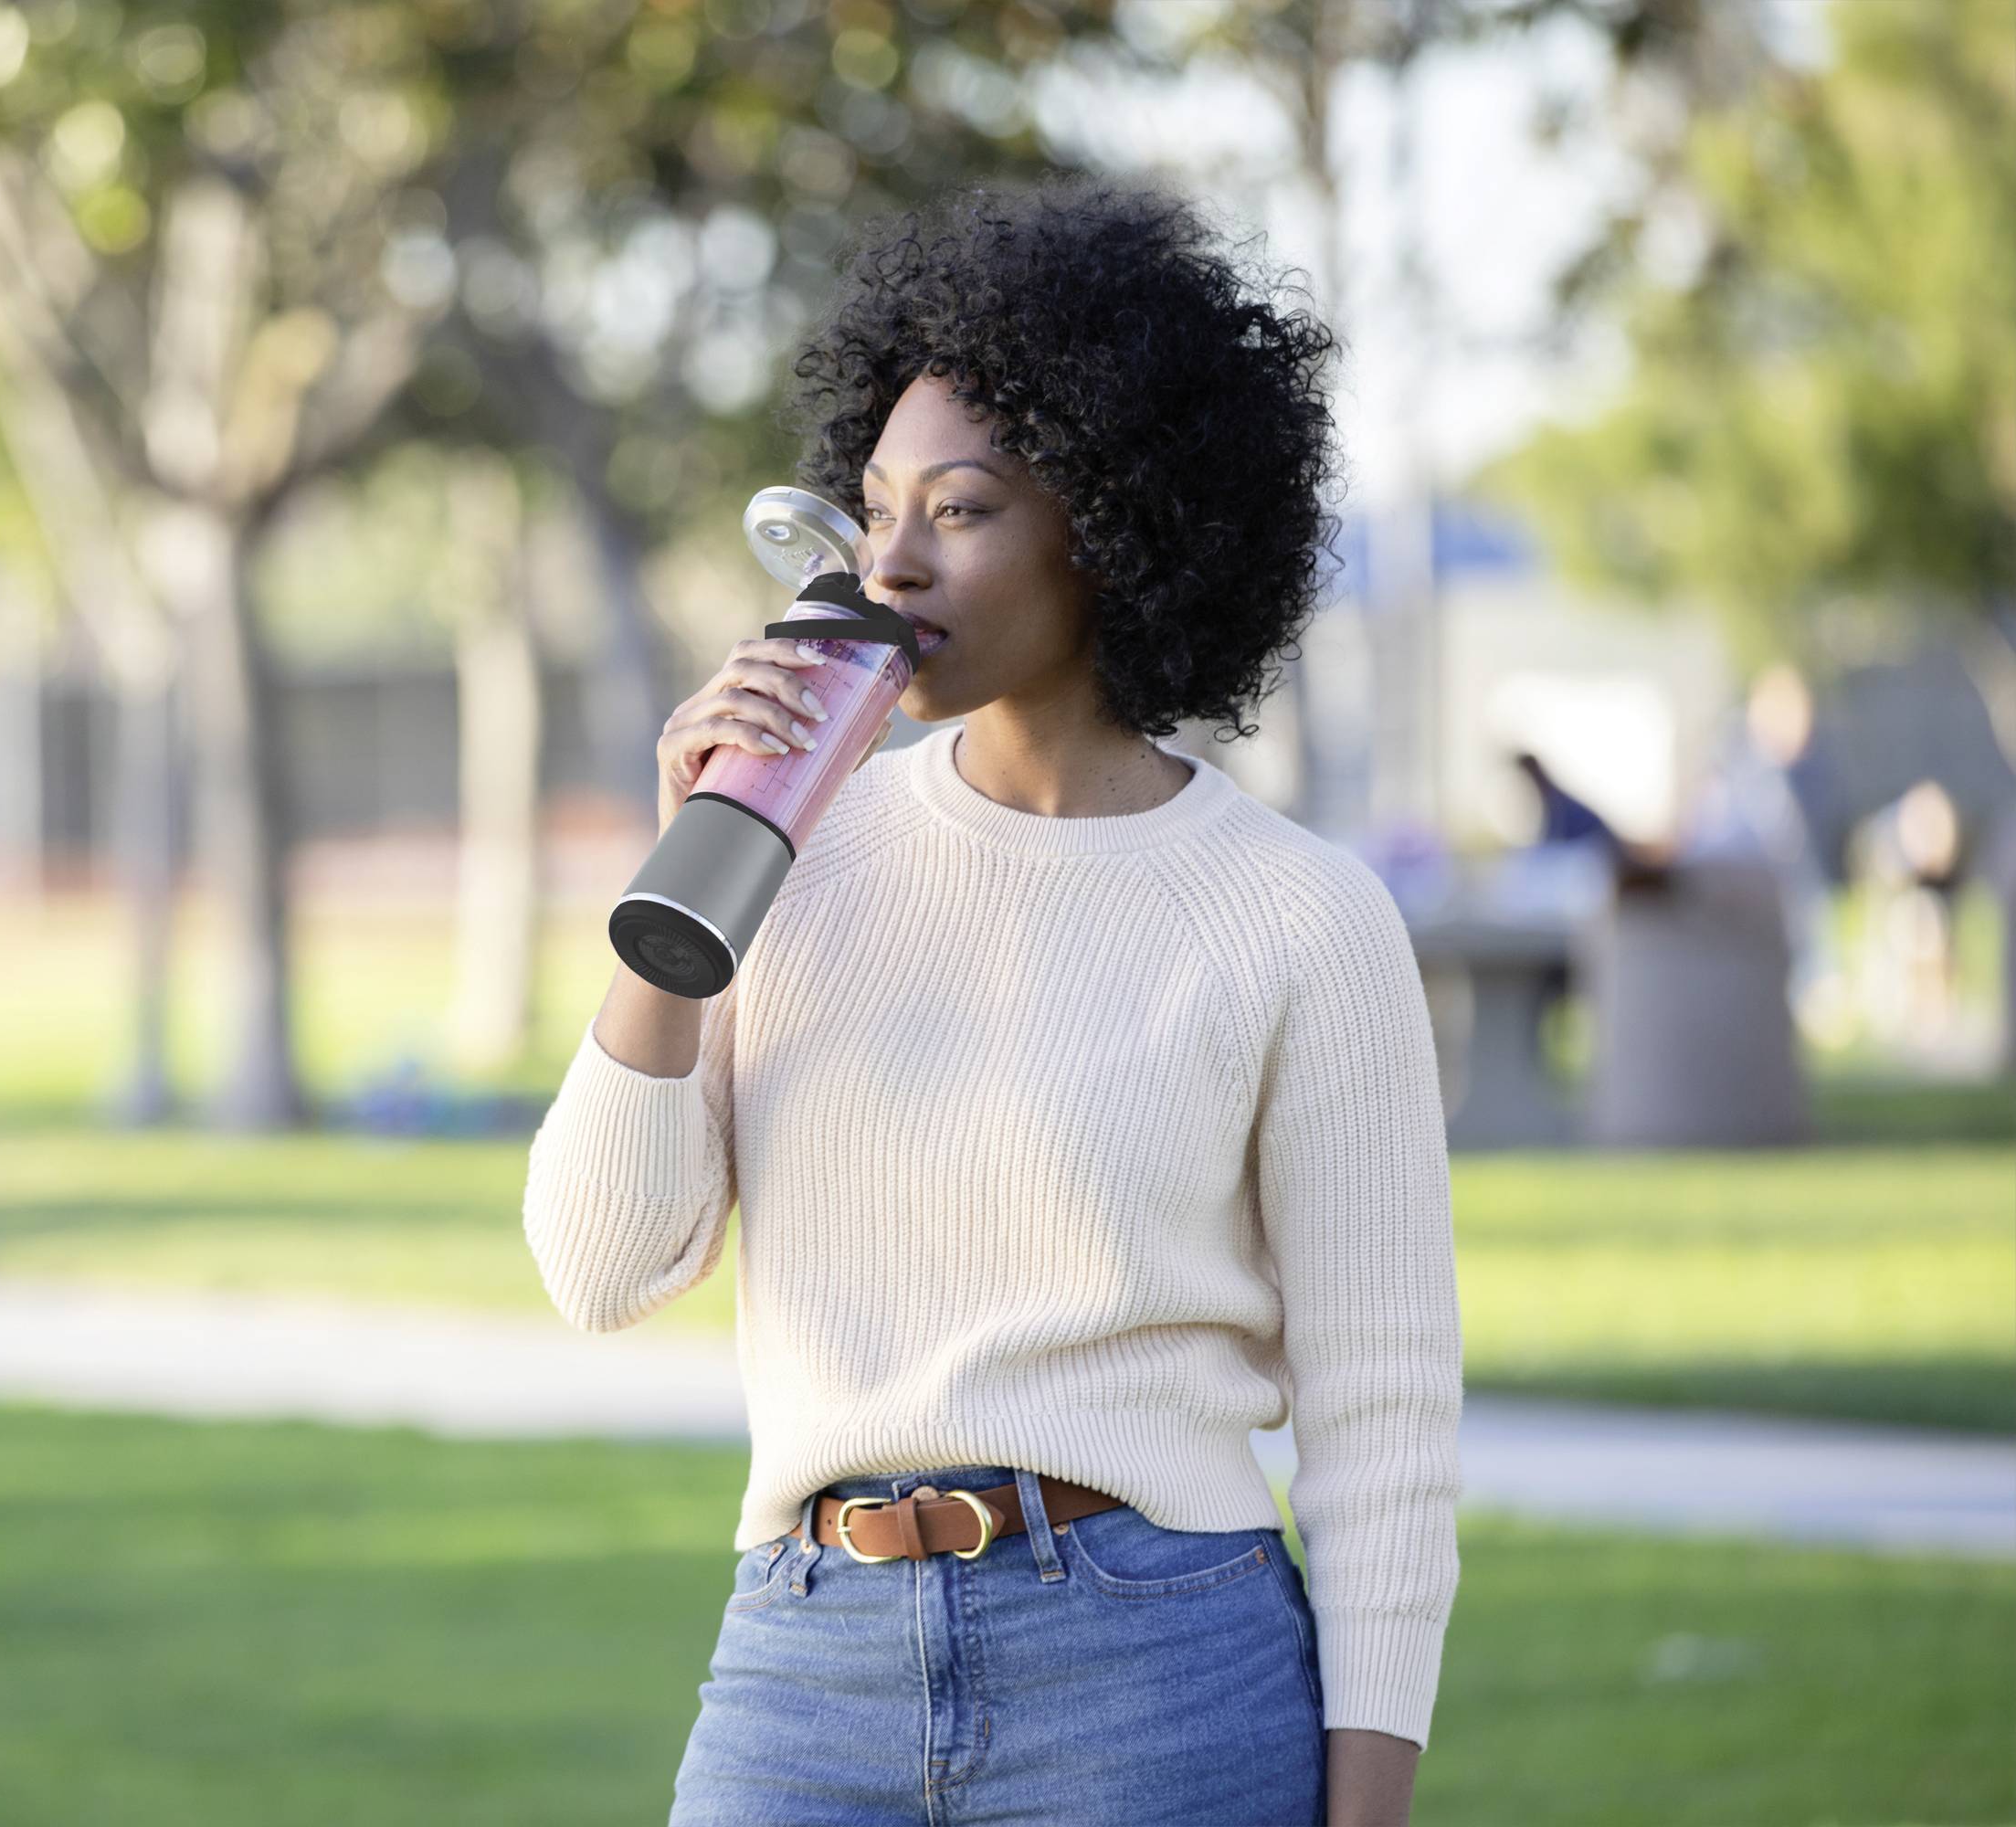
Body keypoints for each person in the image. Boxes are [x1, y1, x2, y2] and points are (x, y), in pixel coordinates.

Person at [523, 174, 1458, 1827]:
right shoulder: (788, 854)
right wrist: (680, 891)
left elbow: (1383, 1426)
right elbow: (602, 1269)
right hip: (803, 1668)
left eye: (958, 510)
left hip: (1155, 1674)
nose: (889, 563)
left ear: (1108, 515)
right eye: (873, 507)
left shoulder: (1302, 919)